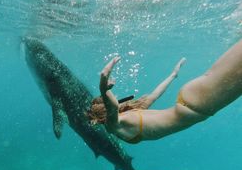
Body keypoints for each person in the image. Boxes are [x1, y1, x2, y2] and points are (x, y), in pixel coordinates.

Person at [87, 39, 242, 144]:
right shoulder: (121, 120)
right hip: (192, 101)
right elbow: (153, 95)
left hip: (197, 106)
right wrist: (172, 76)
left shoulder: (117, 125)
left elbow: (114, 107)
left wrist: (103, 86)